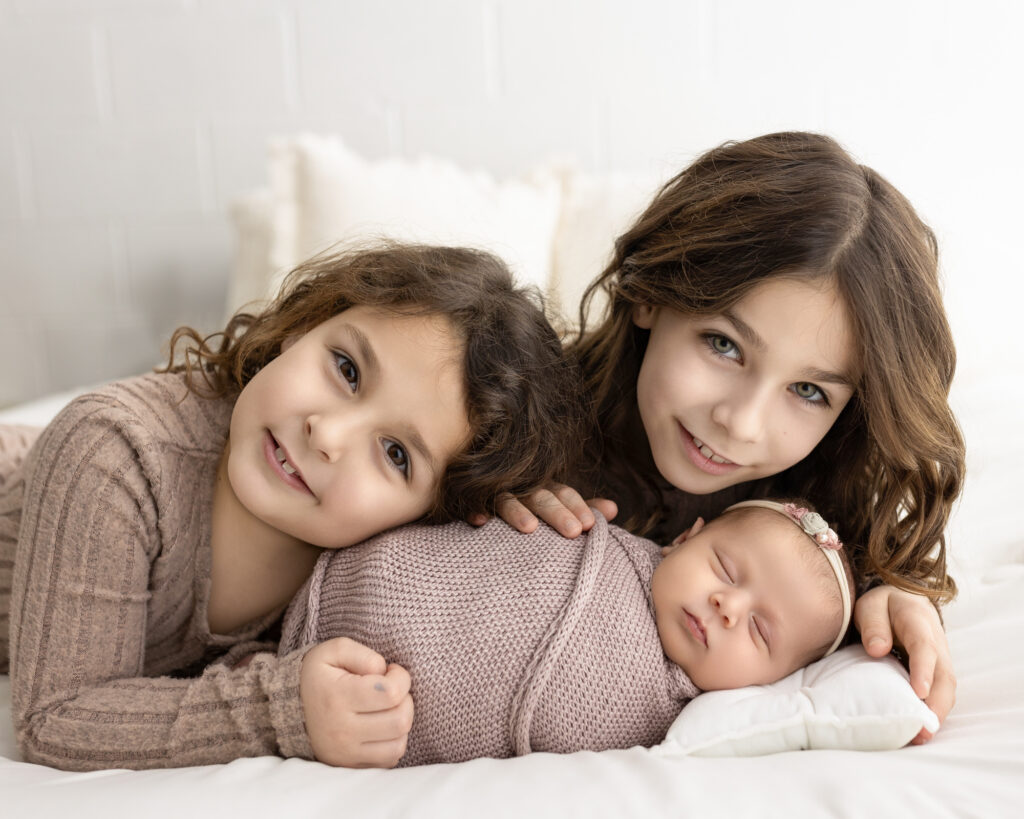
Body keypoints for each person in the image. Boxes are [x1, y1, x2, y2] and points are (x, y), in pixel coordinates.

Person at [0, 242, 583, 772]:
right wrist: (281, 710)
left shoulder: (373, 562)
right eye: (347, 370)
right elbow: (54, 717)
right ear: (302, 328)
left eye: (396, 455)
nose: (327, 435)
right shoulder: (116, 455)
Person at [486, 131, 964, 741]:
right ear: (648, 294)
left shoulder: (821, 523)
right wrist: (470, 495)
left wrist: (894, 601)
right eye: (725, 345)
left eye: (810, 391)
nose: (742, 423)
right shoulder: (515, 413)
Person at [279, 498, 855, 766]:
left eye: (758, 631)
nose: (727, 606)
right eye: (725, 569)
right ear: (686, 538)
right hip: (362, 571)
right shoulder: (599, 538)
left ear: (775, 680)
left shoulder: (680, 724)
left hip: (364, 707)